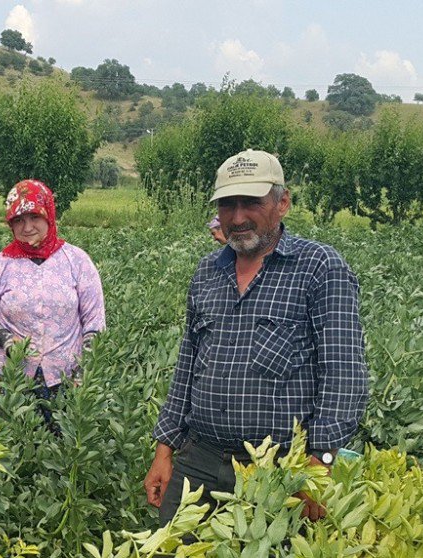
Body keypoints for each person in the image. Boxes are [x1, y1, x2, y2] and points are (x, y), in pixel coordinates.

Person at [143, 149, 368, 524]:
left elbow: (343, 375)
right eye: (228, 204)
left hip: (279, 469)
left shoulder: (319, 267)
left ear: (282, 203)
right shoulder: (207, 273)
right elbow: (187, 367)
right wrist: (164, 450)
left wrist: (320, 462)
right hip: (201, 457)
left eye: (252, 202)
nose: (238, 216)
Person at [0, 179, 106, 425]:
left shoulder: (76, 261)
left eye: (34, 217)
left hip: (65, 379)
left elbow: (94, 322)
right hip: (9, 379)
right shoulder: (1, 264)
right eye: (18, 220)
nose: (27, 227)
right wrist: (5, 339)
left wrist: (84, 371)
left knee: (63, 453)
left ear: (48, 216)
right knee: (9, 448)